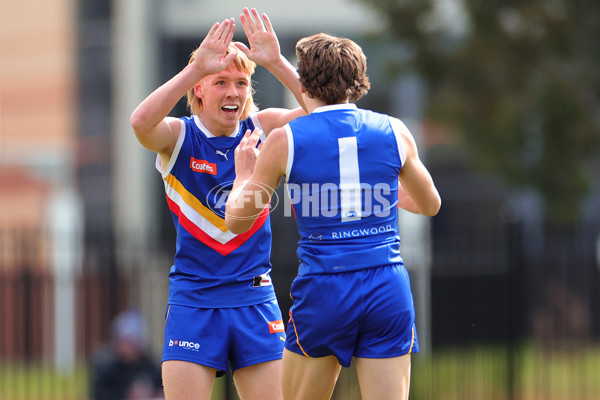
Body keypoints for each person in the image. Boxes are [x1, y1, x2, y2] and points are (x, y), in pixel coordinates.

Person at [225, 33, 441, 400]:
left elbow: (237, 220)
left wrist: (244, 177)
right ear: (359, 80)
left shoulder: (285, 138)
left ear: (305, 82)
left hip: (325, 288)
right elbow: (430, 204)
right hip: (386, 285)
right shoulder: (395, 131)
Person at [129, 8, 306, 400]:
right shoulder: (179, 137)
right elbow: (140, 122)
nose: (233, 93)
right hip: (195, 300)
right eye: (221, 81)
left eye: (241, 83)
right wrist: (195, 68)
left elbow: (322, 114)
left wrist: (275, 62)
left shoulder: (264, 129)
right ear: (200, 91)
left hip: (254, 297)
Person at [91, 309, 163, 400]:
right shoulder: (107, 369)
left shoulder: (150, 367)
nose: (128, 347)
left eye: (131, 342)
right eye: (124, 341)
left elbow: (162, 388)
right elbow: (99, 393)